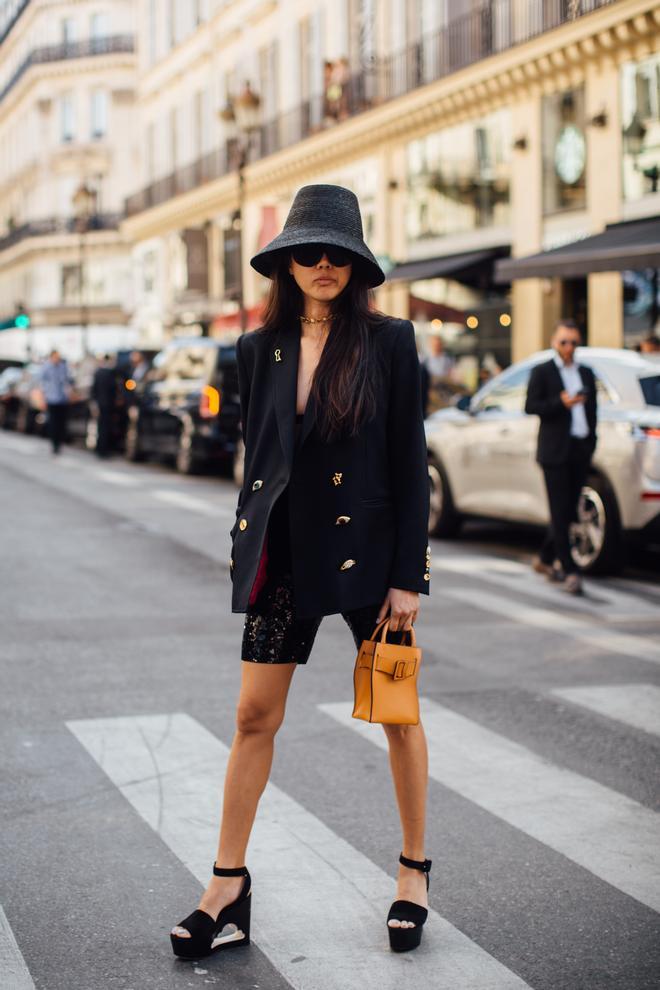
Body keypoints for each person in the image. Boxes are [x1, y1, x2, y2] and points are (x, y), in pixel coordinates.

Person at [170, 184, 432, 960]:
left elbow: (410, 466)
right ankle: (227, 885)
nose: (322, 264)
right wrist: (245, 545)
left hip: (368, 558)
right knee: (254, 717)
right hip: (284, 554)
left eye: (337, 253)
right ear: (286, 261)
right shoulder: (259, 349)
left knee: (396, 712)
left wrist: (408, 577)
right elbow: (262, 462)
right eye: (308, 252)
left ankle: (413, 872)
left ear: (355, 263)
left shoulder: (390, 342)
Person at [524, 320, 597, 595]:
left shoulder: (586, 373)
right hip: (554, 452)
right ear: (555, 342)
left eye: (574, 342)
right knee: (559, 510)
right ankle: (570, 570)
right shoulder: (542, 372)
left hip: (580, 448)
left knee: (567, 512)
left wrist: (591, 443)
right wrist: (561, 403)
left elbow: (594, 411)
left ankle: (544, 558)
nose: (569, 347)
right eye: (564, 342)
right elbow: (531, 406)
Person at [38, 349, 73, 454]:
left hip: (62, 399)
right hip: (51, 399)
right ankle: (54, 444)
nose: (57, 359)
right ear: (51, 357)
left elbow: (69, 380)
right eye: (55, 357)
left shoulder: (63, 367)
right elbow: (42, 383)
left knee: (61, 423)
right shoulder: (46, 367)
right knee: (53, 422)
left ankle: (59, 443)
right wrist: (43, 397)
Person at [91, 354, 117, 458]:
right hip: (108, 404)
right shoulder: (110, 373)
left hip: (100, 403)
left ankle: (99, 449)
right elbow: (113, 389)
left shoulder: (98, 373)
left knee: (100, 426)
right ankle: (103, 450)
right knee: (106, 427)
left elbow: (94, 390)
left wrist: (94, 403)